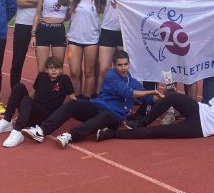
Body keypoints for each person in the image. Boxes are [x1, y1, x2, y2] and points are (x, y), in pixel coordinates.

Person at [21, 50, 163, 148]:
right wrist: (153, 91)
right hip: (97, 106)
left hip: (114, 117)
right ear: (114, 65)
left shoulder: (133, 81)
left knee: (105, 115)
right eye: (120, 65)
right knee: (74, 103)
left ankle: (70, 136)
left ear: (129, 64)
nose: (123, 67)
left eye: (125, 64)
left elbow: (150, 99)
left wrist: (163, 95)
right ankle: (42, 131)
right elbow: (128, 93)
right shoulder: (111, 76)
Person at [96, 70, 214, 141]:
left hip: (201, 128)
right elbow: (207, 105)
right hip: (199, 109)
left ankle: (112, 134)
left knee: (156, 132)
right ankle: (142, 121)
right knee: (172, 96)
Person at [156, 0, 211, 108]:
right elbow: (153, 13)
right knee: (170, 77)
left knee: (190, 75)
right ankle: (170, 109)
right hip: (169, 42)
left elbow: (212, 9)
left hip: (190, 42)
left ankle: (191, 109)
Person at [0, 56, 75, 147]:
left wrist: (67, 112)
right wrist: (25, 109)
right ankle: (6, 120)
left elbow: (73, 99)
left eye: (56, 68)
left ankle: (18, 131)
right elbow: (31, 94)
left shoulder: (65, 79)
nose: (53, 70)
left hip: (46, 116)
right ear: (46, 69)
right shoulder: (41, 76)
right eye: (51, 68)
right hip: (34, 110)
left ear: (61, 70)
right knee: (19, 87)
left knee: (27, 100)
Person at [129, 0, 162, 117]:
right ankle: (141, 103)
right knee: (138, 71)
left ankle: (148, 106)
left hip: (153, 38)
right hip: (137, 38)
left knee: (151, 73)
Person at [97, 0, 135, 93]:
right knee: (104, 69)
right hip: (107, 31)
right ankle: (101, 95)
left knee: (122, 69)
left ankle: (122, 96)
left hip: (124, 32)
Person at [9, 0, 44, 88]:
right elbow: (18, 2)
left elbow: (49, 1)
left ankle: (42, 91)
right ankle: (15, 91)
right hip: (23, 24)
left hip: (42, 24)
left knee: (42, 63)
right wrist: (40, 1)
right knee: (17, 61)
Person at [67, 0, 101, 99]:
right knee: (74, 72)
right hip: (73, 41)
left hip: (92, 41)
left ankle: (86, 99)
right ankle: (76, 98)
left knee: (89, 72)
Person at [30, 0, 70, 72]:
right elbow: (37, 15)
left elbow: (69, 15)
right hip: (43, 30)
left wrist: (59, 19)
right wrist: (33, 35)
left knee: (58, 68)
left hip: (59, 31)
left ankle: (57, 89)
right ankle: (41, 88)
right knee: (42, 69)